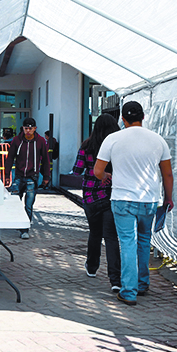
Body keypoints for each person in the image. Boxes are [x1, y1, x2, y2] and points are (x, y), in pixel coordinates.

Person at [94, 101, 174, 306]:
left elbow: (97, 171)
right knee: (144, 241)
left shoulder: (112, 139)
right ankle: (142, 284)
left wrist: (106, 176)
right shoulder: (158, 140)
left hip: (122, 199)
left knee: (127, 242)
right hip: (149, 199)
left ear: (122, 119)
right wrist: (168, 198)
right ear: (143, 117)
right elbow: (167, 173)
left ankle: (128, 291)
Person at [72, 114, 121, 292]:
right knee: (110, 237)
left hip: (91, 196)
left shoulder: (87, 145)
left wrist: (92, 171)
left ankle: (92, 267)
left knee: (94, 232)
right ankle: (115, 279)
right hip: (111, 195)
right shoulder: (118, 145)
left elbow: (77, 170)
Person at [4, 117, 51, 239]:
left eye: (30, 128)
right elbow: (10, 158)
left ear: (35, 128)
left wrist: (46, 177)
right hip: (18, 176)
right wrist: (7, 174)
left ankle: (25, 229)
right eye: (26, 128)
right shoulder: (16, 140)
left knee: (28, 205)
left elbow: (45, 160)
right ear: (23, 129)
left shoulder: (40, 141)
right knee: (15, 202)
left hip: (32, 177)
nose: (28, 131)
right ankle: (17, 222)